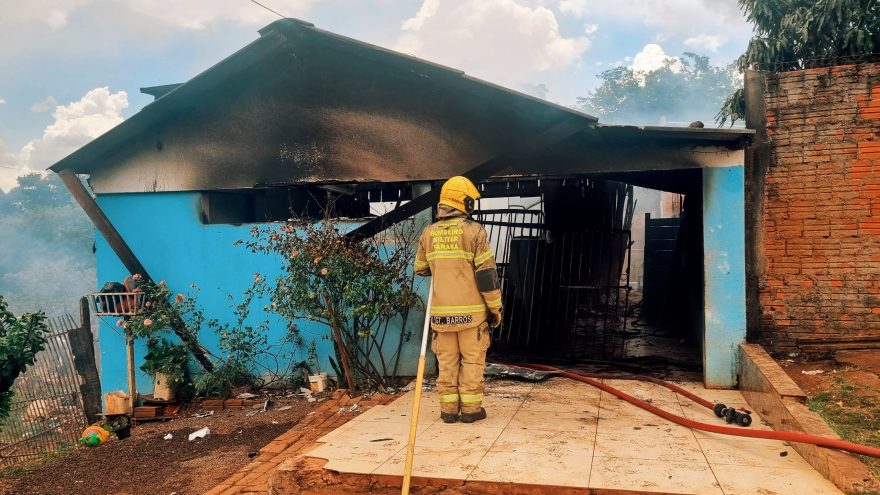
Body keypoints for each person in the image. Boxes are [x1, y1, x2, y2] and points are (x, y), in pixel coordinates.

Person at [414, 176, 503, 424]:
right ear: (463, 202)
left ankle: (449, 411)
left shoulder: (429, 233)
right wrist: (495, 308)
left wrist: (441, 263)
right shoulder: (474, 231)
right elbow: (487, 276)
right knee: (472, 362)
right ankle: (471, 411)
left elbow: (420, 268)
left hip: (441, 317)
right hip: (472, 317)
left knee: (447, 363)